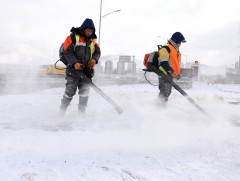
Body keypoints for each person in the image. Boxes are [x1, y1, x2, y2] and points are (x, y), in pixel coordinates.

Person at [59, 18, 101, 115]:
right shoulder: (73, 37)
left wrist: (94, 60)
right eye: (88, 30)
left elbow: (97, 52)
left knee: (84, 93)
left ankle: (81, 115)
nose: (89, 32)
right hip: (73, 71)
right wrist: (74, 63)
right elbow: (67, 51)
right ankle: (61, 113)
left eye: (91, 30)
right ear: (83, 29)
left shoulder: (93, 40)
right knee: (69, 92)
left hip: (86, 72)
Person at [157, 32, 186, 108]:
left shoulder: (175, 50)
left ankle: (159, 109)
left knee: (167, 92)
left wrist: (177, 73)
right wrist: (172, 72)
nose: (180, 44)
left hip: (169, 74)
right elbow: (163, 62)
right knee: (165, 92)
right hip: (164, 74)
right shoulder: (165, 48)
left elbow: (174, 64)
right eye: (180, 42)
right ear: (176, 40)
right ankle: (158, 109)